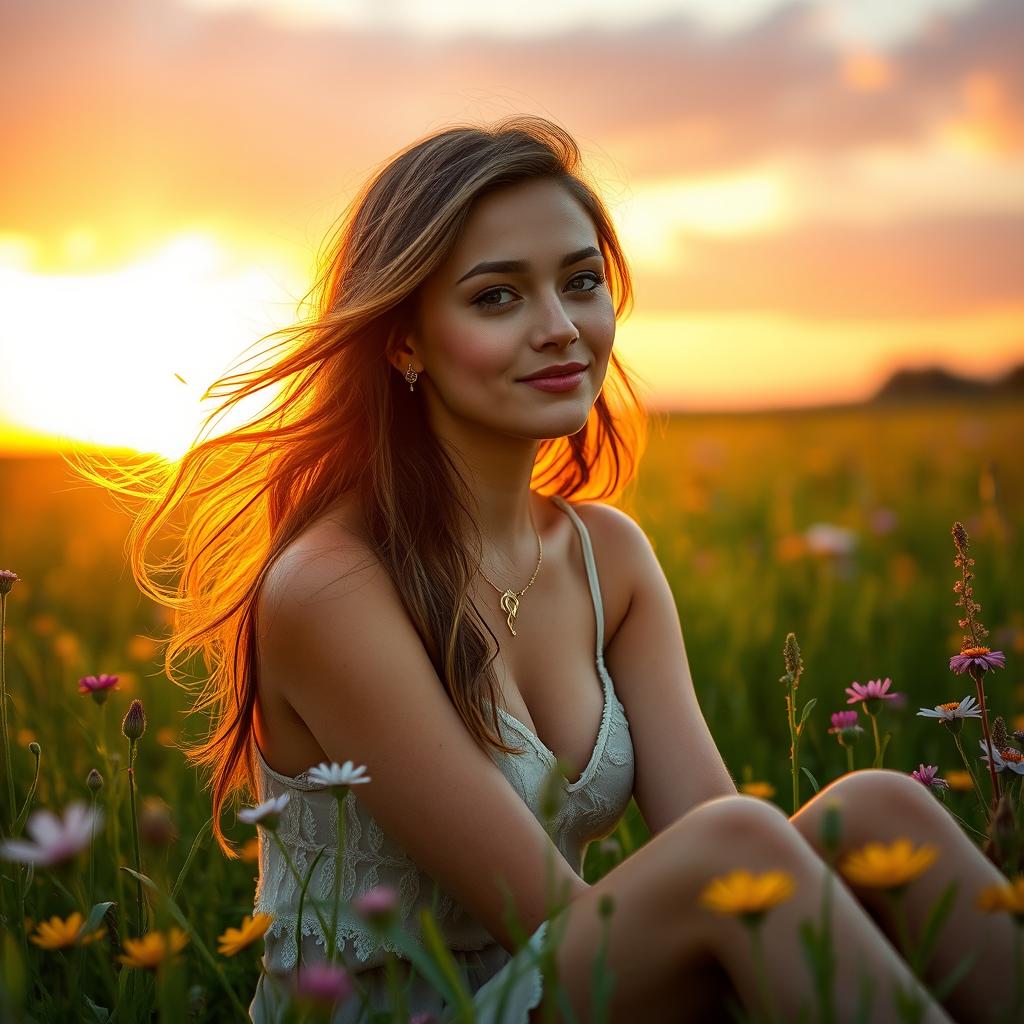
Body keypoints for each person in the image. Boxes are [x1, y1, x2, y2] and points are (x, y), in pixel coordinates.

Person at [93, 116, 1014, 1022]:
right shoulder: (333, 586)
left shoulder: (605, 556)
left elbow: (729, 851)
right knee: (741, 848)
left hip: (560, 980)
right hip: (421, 1008)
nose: (561, 328)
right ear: (404, 341)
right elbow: (554, 911)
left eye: (580, 283)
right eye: (498, 296)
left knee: (880, 807)